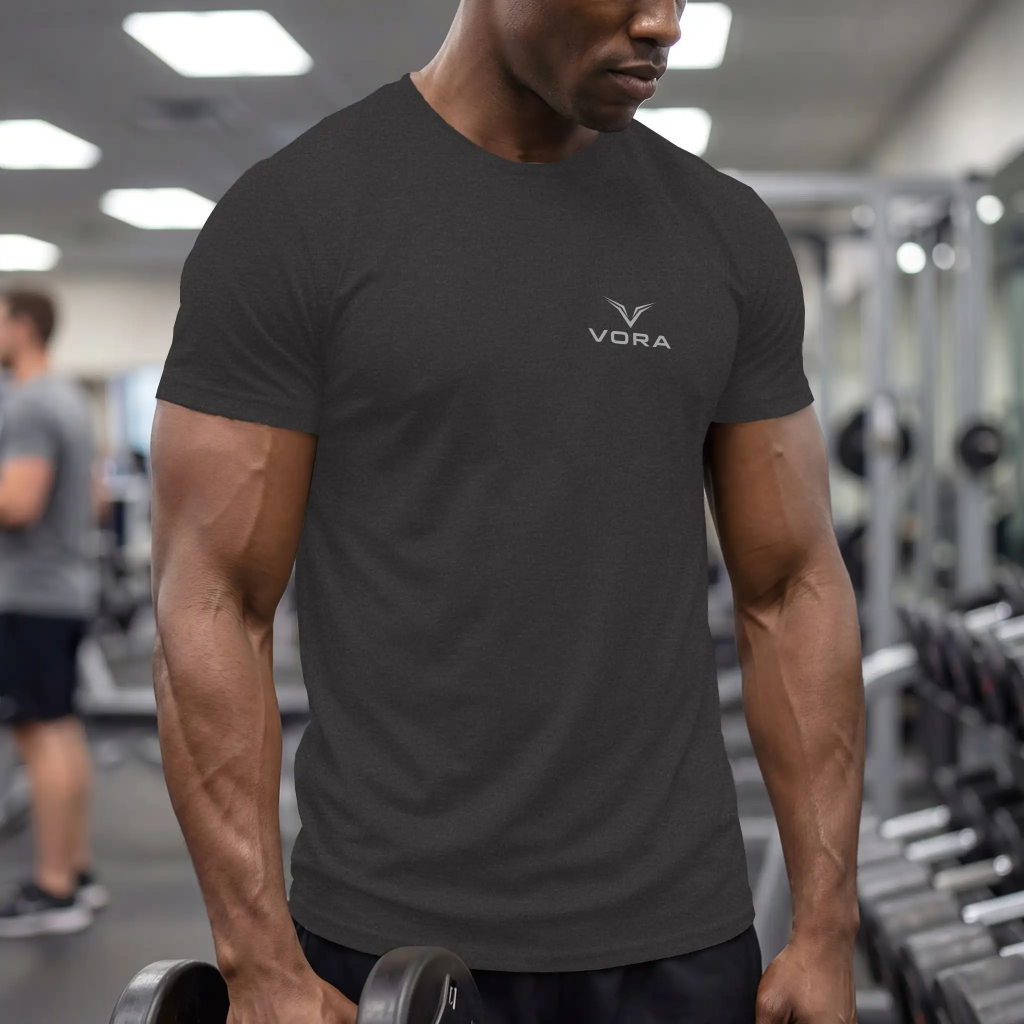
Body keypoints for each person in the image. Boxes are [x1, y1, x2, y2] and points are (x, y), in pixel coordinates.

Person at [150, 1, 865, 1021]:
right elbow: (211, 600)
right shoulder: (297, 217)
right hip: (386, 946)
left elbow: (792, 586)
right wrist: (257, 959)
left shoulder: (723, 231)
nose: (663, 24)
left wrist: (827, 927)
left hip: (678, 943)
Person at [0, 290, 106, 938]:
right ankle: (76, 872)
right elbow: (95, 499)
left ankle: (53, 887)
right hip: (62, 589)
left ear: (23, 326)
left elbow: (18, 504)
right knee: (59, 730)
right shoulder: (66, 398)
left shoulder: (31, 403)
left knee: (39, 735)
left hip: (29, 593)